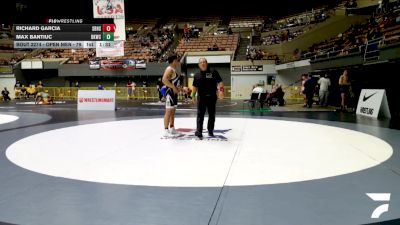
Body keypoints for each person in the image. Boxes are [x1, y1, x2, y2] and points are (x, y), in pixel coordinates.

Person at [192, 58, 224, 139]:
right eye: (201, 62)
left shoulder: (213, 72)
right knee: (200, 115)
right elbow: (195, 86)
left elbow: (220, 82)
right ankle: (199, 132)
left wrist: (222, 91)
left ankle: (210, 131)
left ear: (207, 63)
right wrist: (193, 96)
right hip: (201, 98)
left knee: (211, 115)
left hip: (212, 97)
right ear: (199, 64)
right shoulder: (197, 75)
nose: (202, 63)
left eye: (204, 62)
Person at [162, 54, 182, 137]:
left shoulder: (173, 69)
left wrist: (179, 88)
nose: (178, 61)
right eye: (177, 60)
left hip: (173, 93)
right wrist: (173, 87)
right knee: (168, 112)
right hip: (169, 93)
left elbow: (173, 81)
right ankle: (166, 130)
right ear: (173, 61)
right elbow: (164, 80)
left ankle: (172, 128)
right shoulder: (169, 69)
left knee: (172, 112)